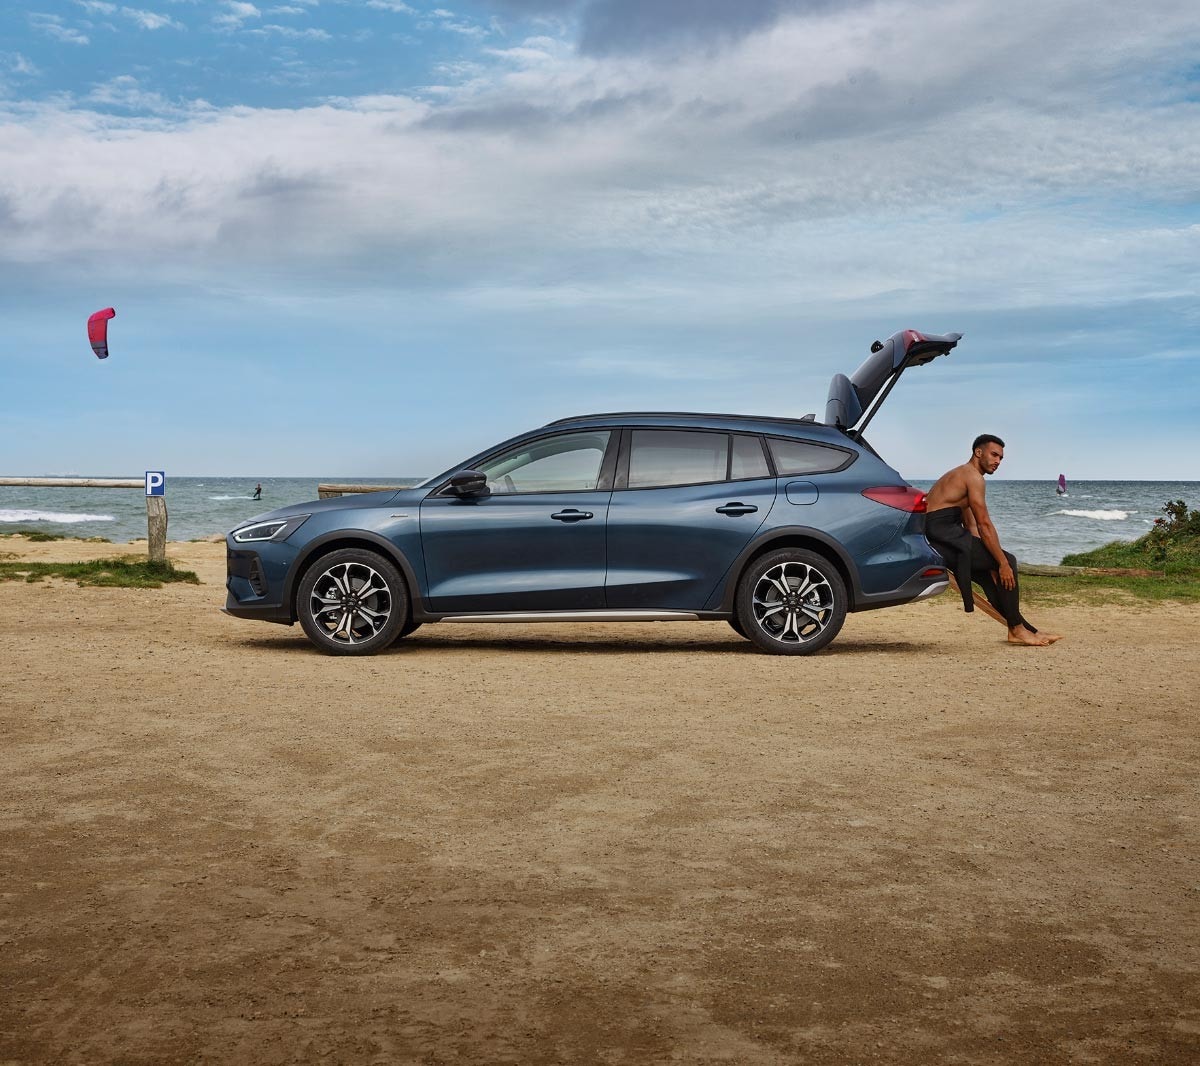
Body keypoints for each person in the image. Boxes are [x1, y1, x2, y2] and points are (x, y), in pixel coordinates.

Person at [924, 434, 1061, 647]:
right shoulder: (973, 477)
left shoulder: (962, 474)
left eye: (1001, 458)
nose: (998, 461)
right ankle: (1017, 630)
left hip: (944, 535)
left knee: (991, 576)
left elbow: (971, 527)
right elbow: (984, 525)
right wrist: (1002, 562)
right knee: (1008, 561)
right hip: (942, 537)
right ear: (979, 452)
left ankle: (1026, 629)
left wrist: (987, 557)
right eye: (994, 455)